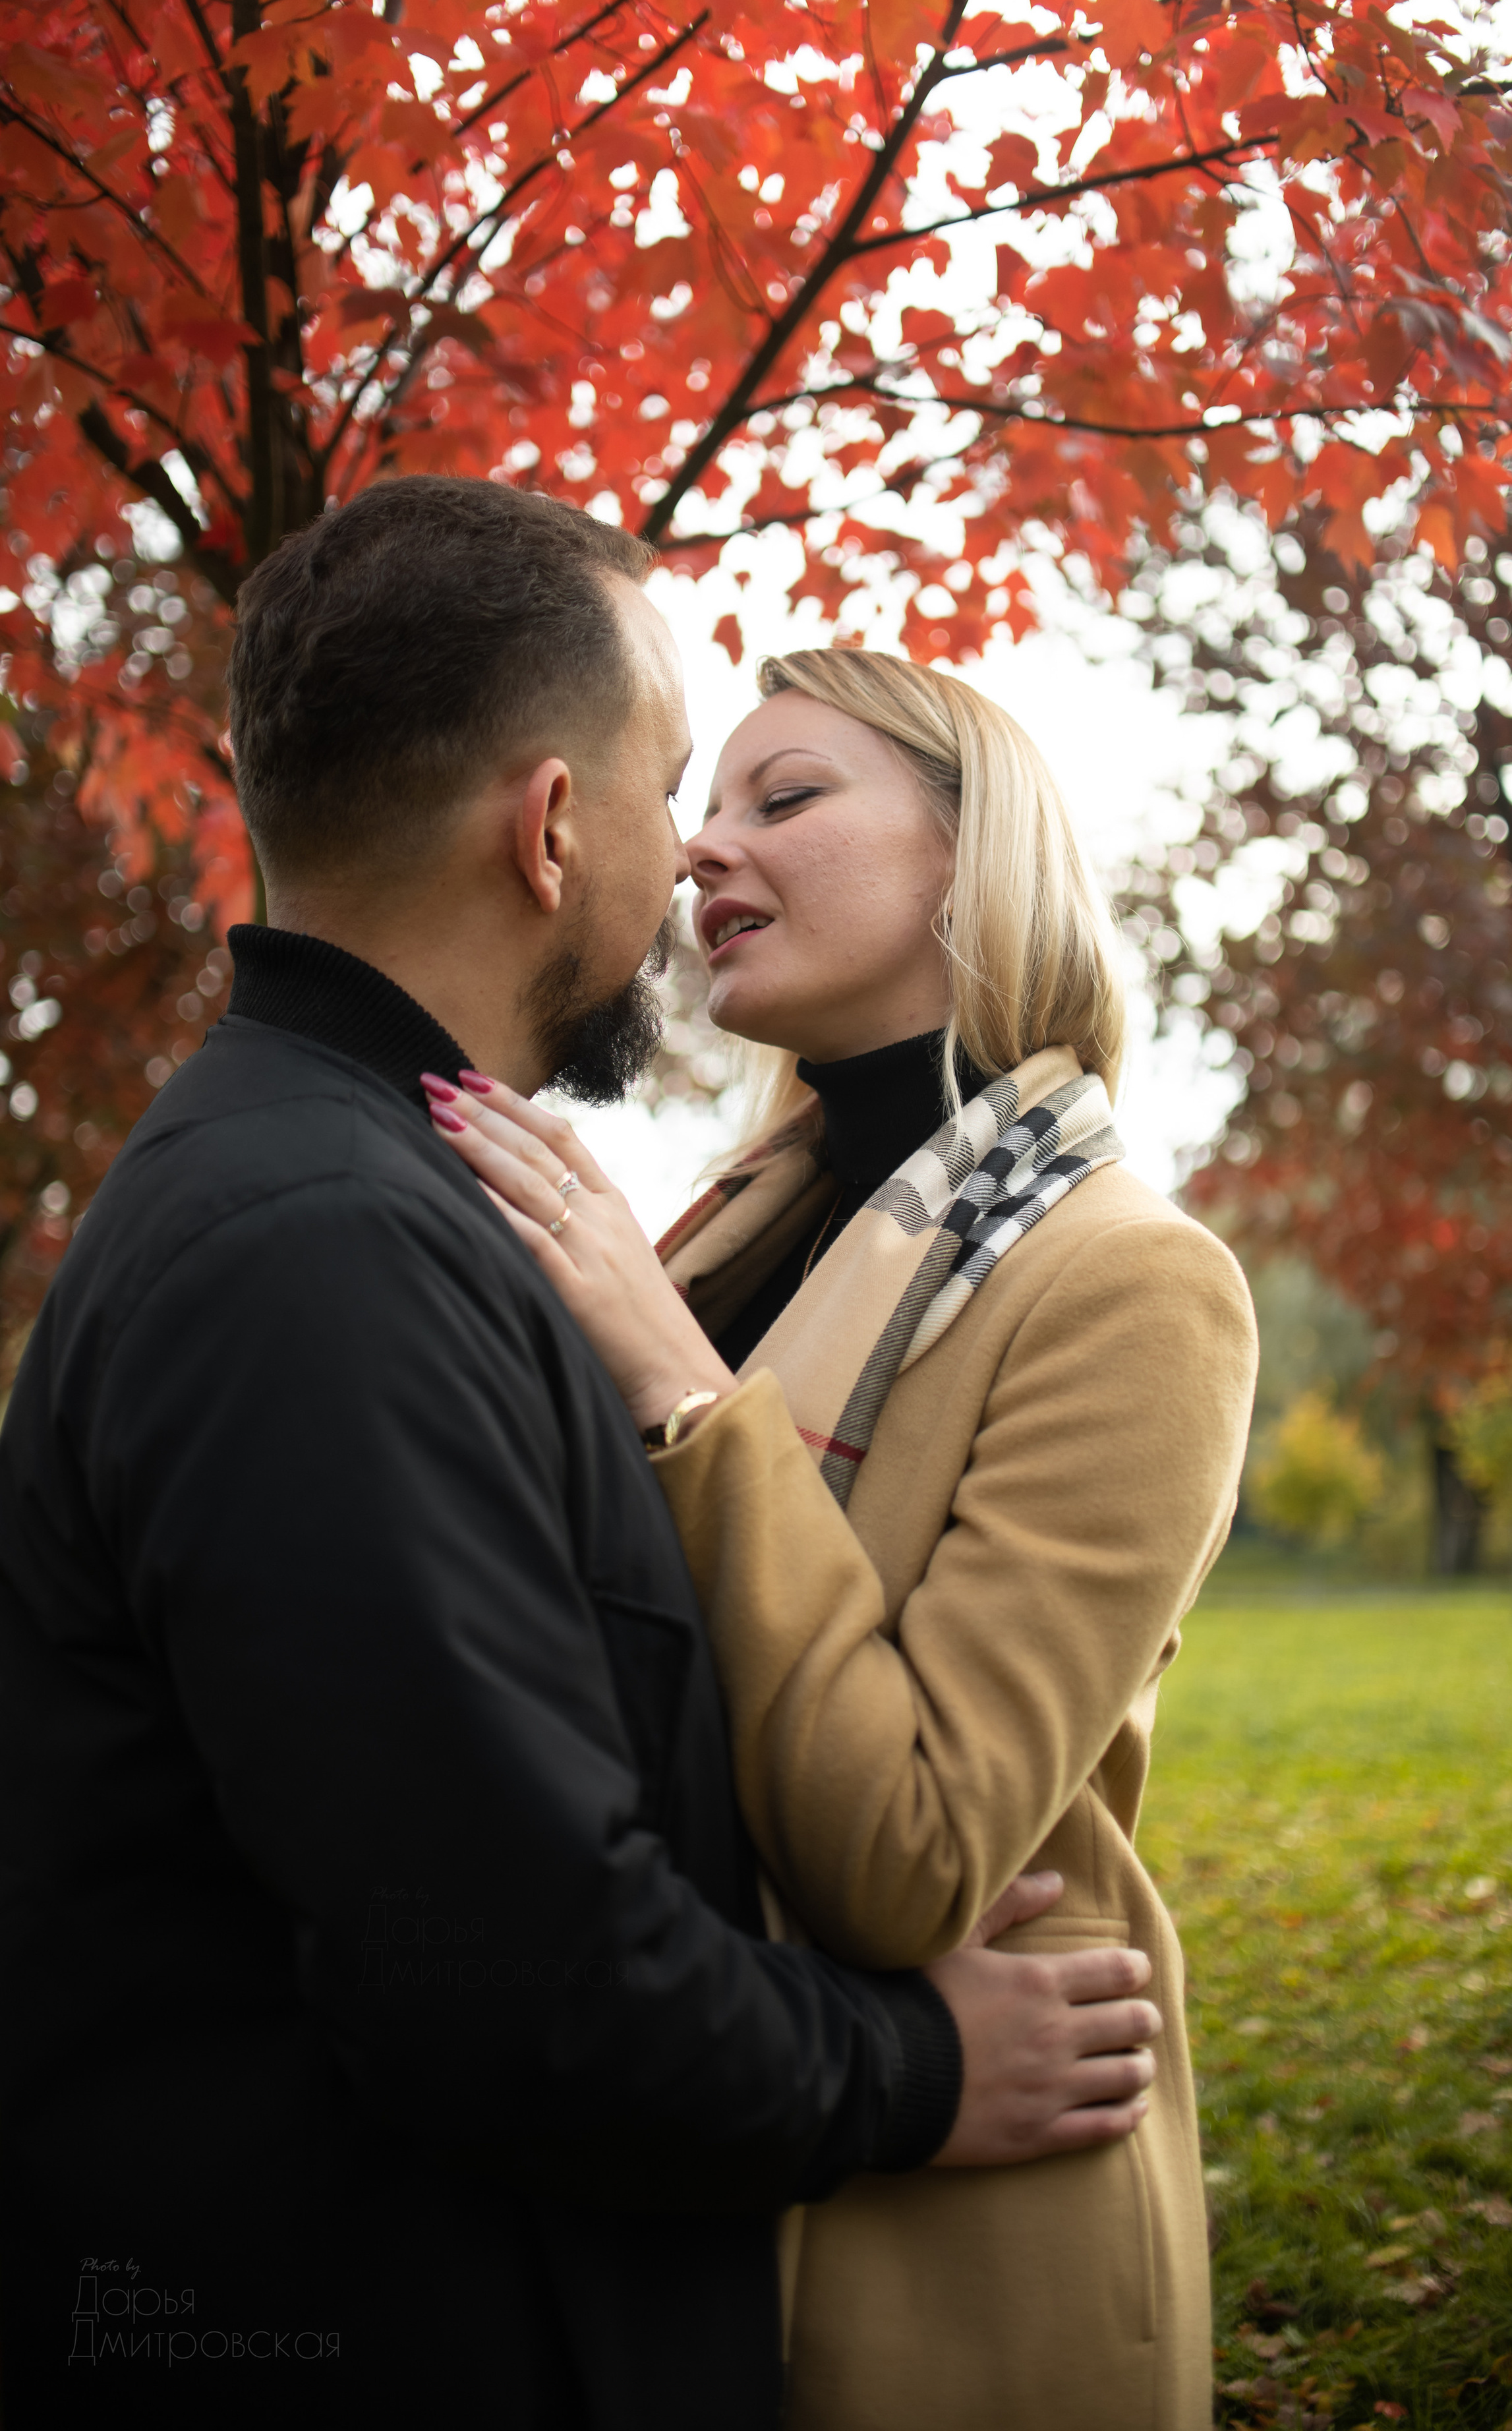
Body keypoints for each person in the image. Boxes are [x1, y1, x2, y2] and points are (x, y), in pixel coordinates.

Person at [0, 484, 1165, 2431]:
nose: (693, 842)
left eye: (772, 798)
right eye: (673, 780)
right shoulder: (329, 1244)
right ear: (551, 831)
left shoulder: (409, 1203)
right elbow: (509, 1962)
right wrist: (906, 2068)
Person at [429, 647, 1260, 2431]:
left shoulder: (1133, 1284)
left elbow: (911, 1848)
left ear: (975, 854)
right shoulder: (723, 1234)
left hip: (958, 2235)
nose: (703, 848)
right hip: (706, 2138)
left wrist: (677, 1393)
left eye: (783, 795)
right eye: (705, 802)